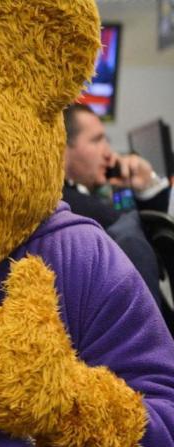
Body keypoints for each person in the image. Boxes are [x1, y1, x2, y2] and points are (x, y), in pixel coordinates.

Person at [62, 103, 172, 309]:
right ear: (63, 148)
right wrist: (149, 185)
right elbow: (143, 239)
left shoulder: (80, 196)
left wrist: (143, 186)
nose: (108, 153)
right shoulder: (74, 205)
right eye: (96, 140)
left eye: (106, 140)